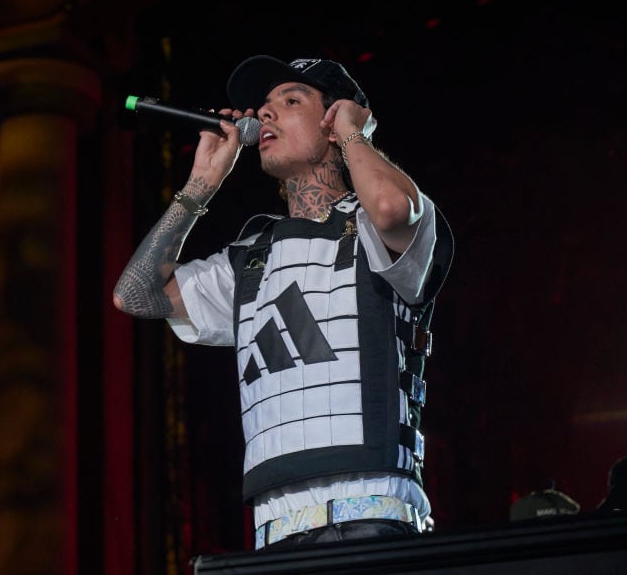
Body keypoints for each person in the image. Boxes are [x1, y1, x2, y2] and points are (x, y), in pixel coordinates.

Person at [113, 55, 454, 550]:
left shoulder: (379, 227)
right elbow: (134, 295)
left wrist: (355, 133)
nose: (265, 114)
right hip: (275, 532)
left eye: (291, 101)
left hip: (373, 521)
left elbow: (389, 208)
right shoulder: (251, 257)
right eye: (264, 106)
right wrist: (201, 183)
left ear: (336, 119)